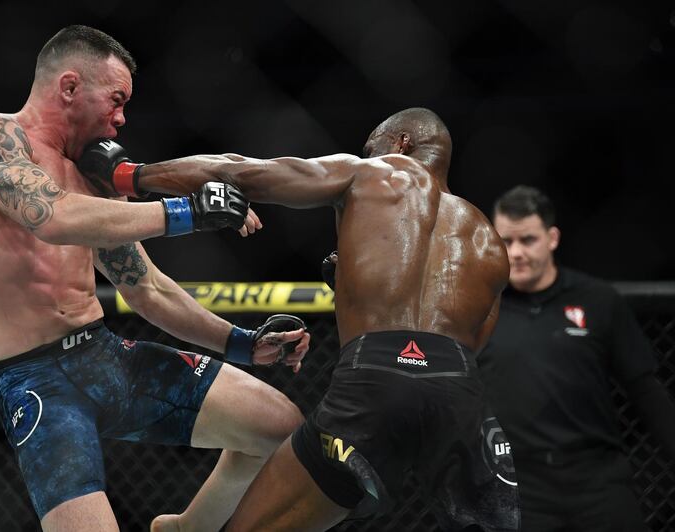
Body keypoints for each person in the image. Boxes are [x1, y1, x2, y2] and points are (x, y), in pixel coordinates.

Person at [0, 25, 311, 532]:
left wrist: (243, 344)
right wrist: (187, 212)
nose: (121, 119)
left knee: (283, 429)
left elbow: (146, 287)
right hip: (35, 379)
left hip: (106, 356)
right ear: (69, 87)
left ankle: (187, 528)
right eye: (115, 100)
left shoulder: (92, 174)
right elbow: (52, 218)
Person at [79, 107, 521, 531]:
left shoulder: (373, 172)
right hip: (459, 393)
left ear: (401, 143)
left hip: (375, 382)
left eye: (374, 147)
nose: (369, 155)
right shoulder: (489, 241)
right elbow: (468, 342)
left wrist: (129, 175)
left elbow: (240, 170)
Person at [474, 185, 675, 531]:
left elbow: (646, 391)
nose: (517, 252)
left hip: (596, 478)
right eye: (506, 241)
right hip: (519, 483)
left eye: (528, 240)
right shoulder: (479, 309)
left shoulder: (598, 300)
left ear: (552, 238)